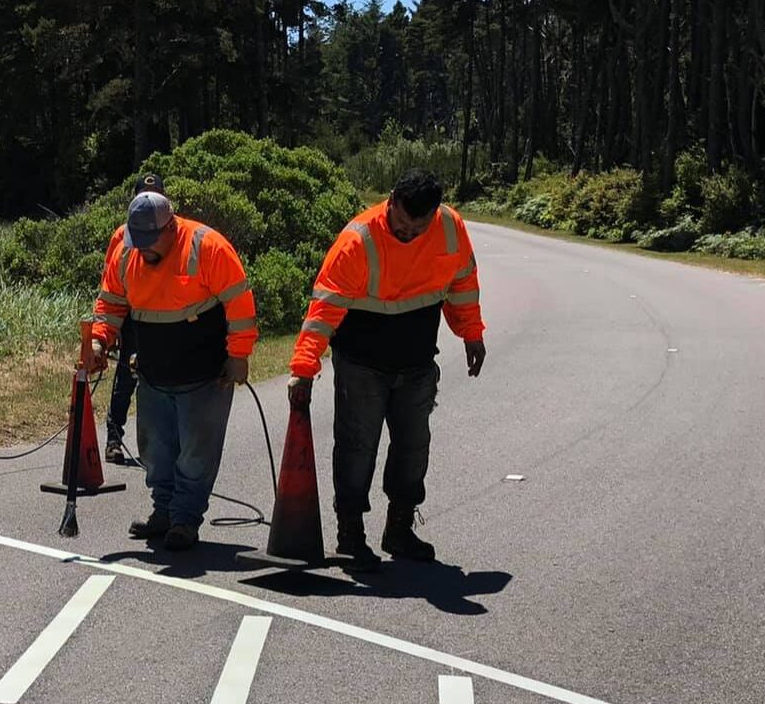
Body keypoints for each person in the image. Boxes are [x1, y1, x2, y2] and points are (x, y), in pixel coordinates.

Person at [289, 170, 486, 567]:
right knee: (357, 448)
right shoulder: (358, 241)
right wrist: (304, 366)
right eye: (402, 224)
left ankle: (399, 529)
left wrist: (471, 333)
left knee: (413, 449)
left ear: (434, 213)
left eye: (419, 226)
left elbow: (463, 283)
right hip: (362, 365)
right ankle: (351, 534)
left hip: (416, 363)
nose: (409, 234)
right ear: (391, 200)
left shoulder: (450, 228)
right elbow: (324, 310)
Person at [85, 190, 256, 552]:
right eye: (138, 240)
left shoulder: (207, 247)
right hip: (153, 373)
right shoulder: (125, 251)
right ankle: (162, 511)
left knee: (195, 453)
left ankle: (185, 519)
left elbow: (239, 302)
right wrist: (100, 340)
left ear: (171, 227)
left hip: (204, 375)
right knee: (155, 450)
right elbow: (111, 301)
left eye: (150, 241)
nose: (143, 249)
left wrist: (238, 355)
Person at [101, 172, 163, 464]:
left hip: (162, 319)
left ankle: (158, 447)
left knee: (159, 380)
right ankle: (114, 438)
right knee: (126, 377)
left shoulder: (169, 232)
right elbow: (110, 283)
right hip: (131, 318)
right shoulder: (121, 236)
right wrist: (109, 332)